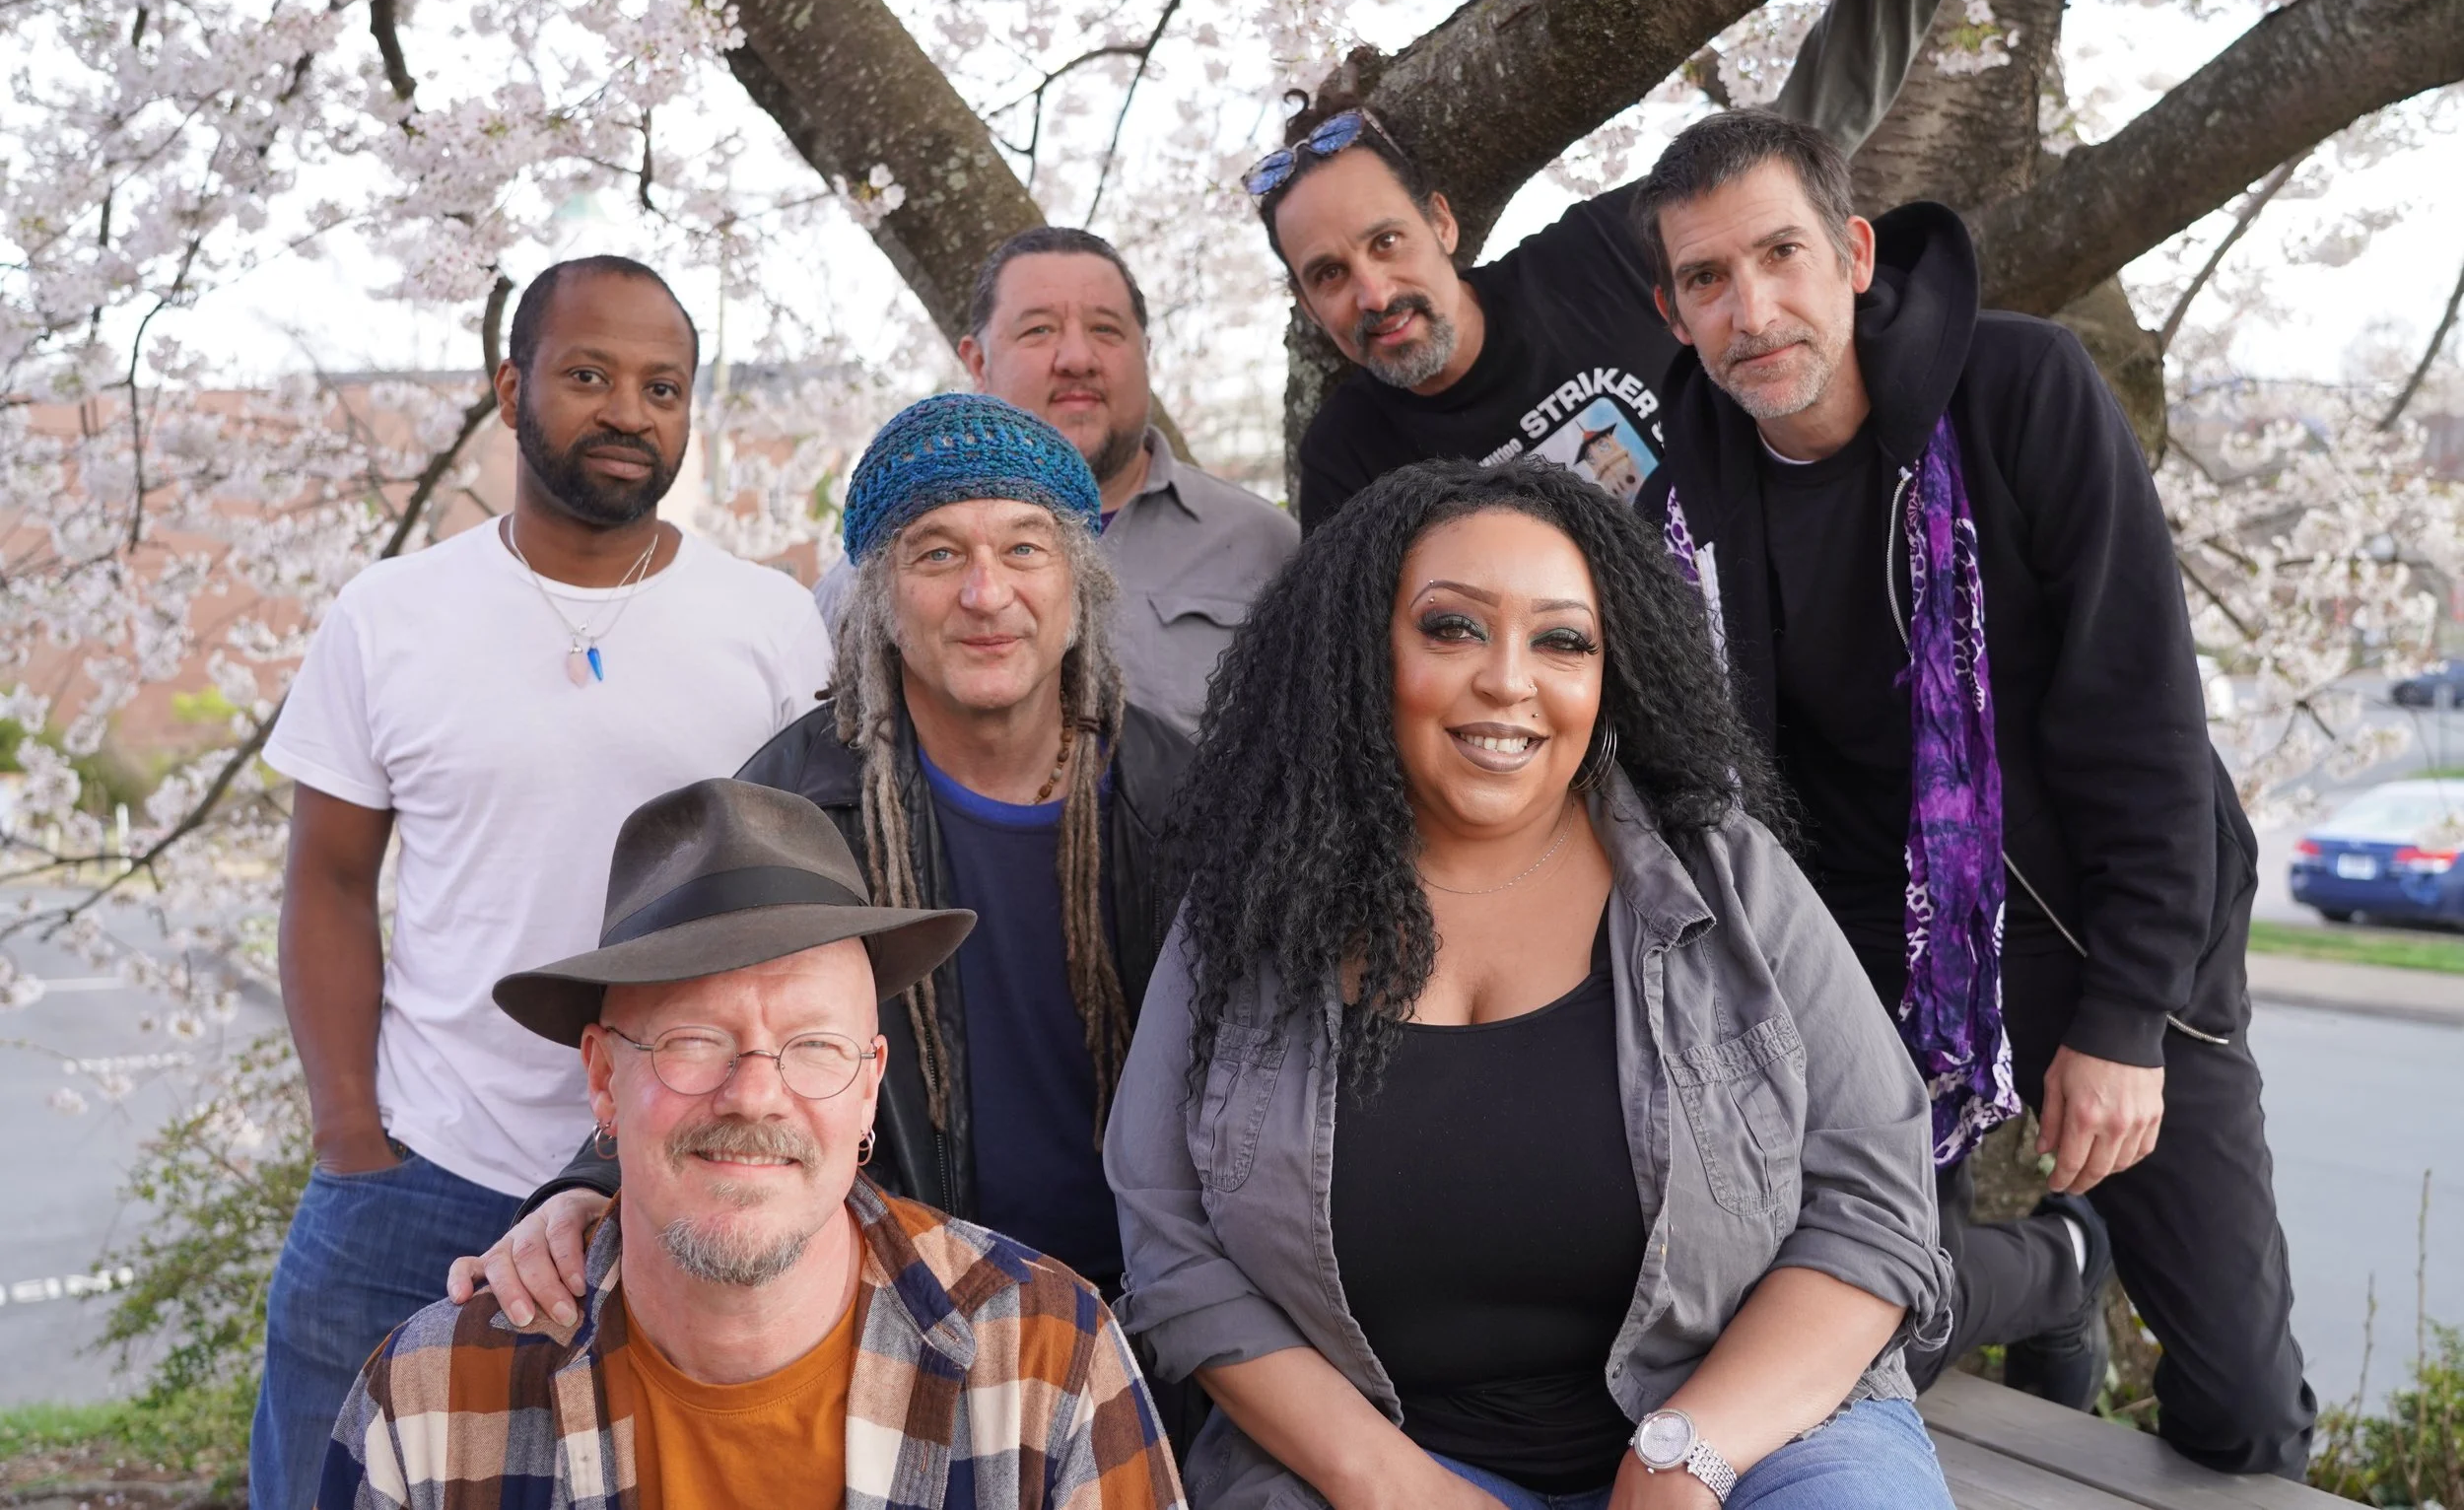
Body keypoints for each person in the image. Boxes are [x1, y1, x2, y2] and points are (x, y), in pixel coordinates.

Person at [1628, 108, 2314, 1475]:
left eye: (1779, 254)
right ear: (1673, 309)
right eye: (1707, 277)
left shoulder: (2021, 389)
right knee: (1859, 1334)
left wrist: (2127, 1017)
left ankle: (2124, 1299)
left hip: (2094, 924)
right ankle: (2057, 1268)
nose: (1751, 309)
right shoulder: (1674, 514)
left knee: (2239, 1401)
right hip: (1869, 965)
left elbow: (2145, 718)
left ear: (1854, 254)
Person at [1107, 458, 1957, 1510]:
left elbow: (1874, 1203)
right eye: (1452, 627)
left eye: (1562, 640)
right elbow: (1173, 1246)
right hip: (1384, 1460)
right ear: (1360, 653)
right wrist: (1391, 1484)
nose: (1509, 679)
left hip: (1754, 1436)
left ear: (1612, 674)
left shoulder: (1725, 875)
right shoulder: (1253, 906)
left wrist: (1685, 1451)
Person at [252, 254, 832, 1510]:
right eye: (588, 375)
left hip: (669, 1176)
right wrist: (352, 1137)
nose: (628, 410)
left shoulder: (772, 625)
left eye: (662, 387)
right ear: (511, 388)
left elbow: (810, 915)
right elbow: (329, 884)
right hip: (421, 1168)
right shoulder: (390, 613)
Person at [451, 391, 1191, 1310]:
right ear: (880, 595)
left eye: (1024, 549)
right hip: (904, 1302)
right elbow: (682, 1019)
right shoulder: (794, 803)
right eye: (937, 553)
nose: (985, 593)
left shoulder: (1185, 799)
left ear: (1079, 579)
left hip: (1158, 1304)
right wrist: (582, 1187)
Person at [315, 778, 1185, 1510]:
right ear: (603, 1077)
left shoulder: (1047, 1364)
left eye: (815, 1045)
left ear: (869, 1084)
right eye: (695, 1039)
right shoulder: (434, 1402)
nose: (756, 1093)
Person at [1252, 0, 1959, 532]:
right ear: (1307, 304)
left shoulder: (1600, 253)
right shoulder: (1348, 461)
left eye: (1386, 242)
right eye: (1329, 274)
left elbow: (1801, 136)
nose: (1375, 294)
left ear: (1441, 222)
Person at [820, 227, 1298, 736]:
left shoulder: (1268, 547)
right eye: (1039, 330)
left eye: (1106, 330)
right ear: (978, 362)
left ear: (1146, 352)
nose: (1076, 359)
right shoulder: (874, 571)